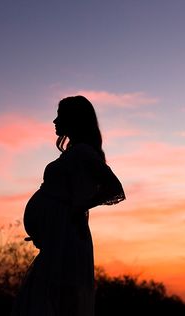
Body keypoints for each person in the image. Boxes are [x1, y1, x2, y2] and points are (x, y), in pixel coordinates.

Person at [11, 95, 126, 316]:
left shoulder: (83, 152)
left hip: (66, 237)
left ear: (74, 120)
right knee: (46, 295)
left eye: (60, 116)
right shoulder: (75, 153)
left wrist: (76, 209)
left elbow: (114, 188)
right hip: (58, 237)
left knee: (54, 297)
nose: (55, 121)